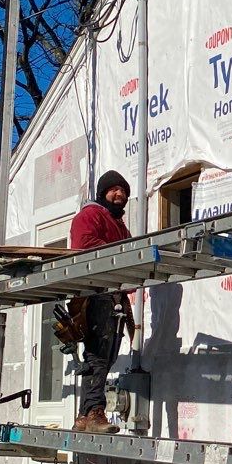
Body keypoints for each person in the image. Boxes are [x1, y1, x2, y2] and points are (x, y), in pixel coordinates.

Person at [68, 170, 134, 433]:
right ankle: (95, 413)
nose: (119, 195)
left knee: (104, 356)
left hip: (112, 292)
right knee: (98, 355)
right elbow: (85, 244)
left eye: (124, 191)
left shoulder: (117, 223)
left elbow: (131, 249)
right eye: (114, 190)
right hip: (94, 290)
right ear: (102, 192)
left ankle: (84, 416)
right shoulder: (91, 215)